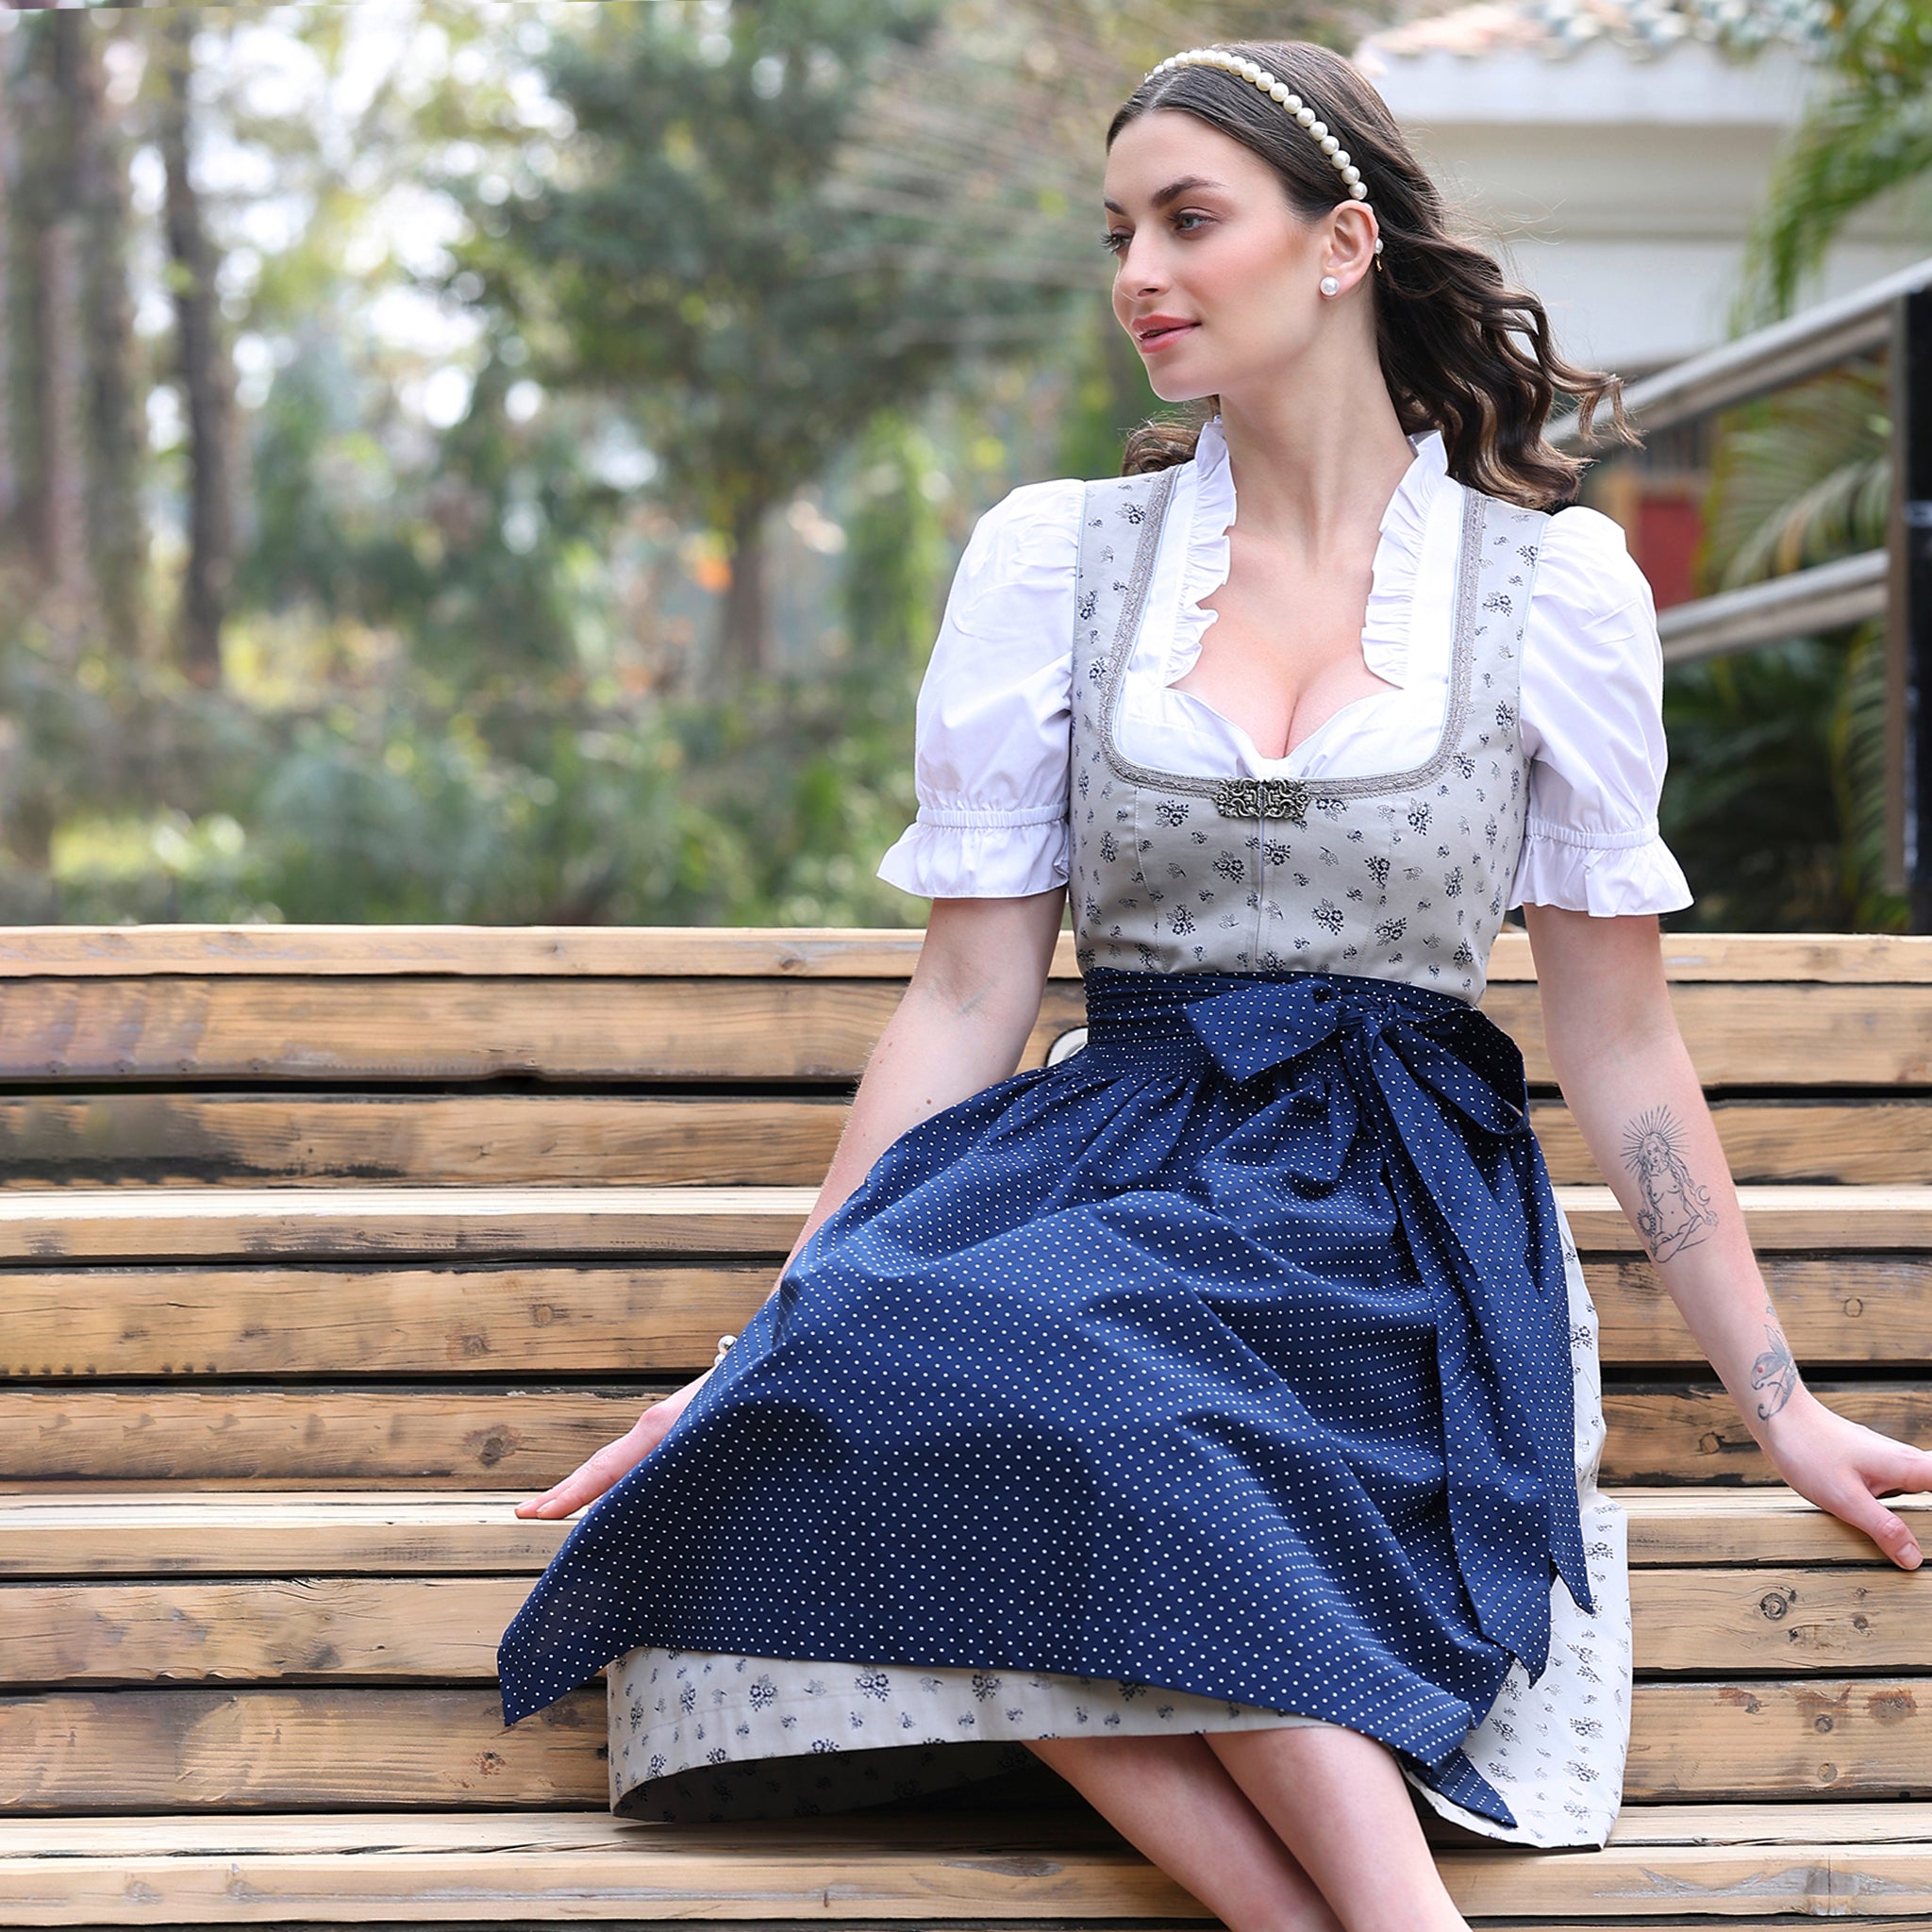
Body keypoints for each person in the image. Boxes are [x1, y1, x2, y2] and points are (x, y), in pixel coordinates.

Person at [496, 39, 1932, 1932]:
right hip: (1110, 1165)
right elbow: (964, 998)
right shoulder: (1055, 563)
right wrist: (777, 1325)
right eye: (1118, 234)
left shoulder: (1548, 589)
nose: (1140, 275)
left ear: (1341, 244)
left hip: (1392, 1206)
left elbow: (1620, 1038)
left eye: (1189, 220)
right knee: (972, 1368)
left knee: (1118, 1405)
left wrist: (1780, 1398)